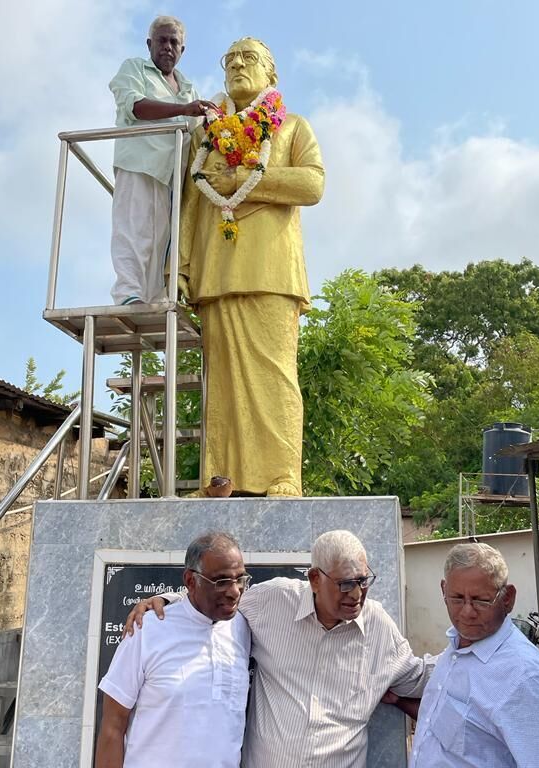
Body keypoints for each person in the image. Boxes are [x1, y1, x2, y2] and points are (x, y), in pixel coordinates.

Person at [125, 529, 435, 768]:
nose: (356, 594)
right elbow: (218, 600)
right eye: (345, 584)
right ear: (315, 579)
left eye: (363, 581)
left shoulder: (378, 627)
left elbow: (422, 678)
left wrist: (464, 643)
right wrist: (168, 601)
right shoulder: (274, 601)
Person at [178, 37, 325, 496]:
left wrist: (246, 179)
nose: (238, 65)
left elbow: (313, 184)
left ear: (271, 74)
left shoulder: (292, 127)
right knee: (221, 383)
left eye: (250, 58)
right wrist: (179, 267)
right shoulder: (206, 136)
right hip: (216, 272)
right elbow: (189, 205)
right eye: (231, 60)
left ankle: (283, 475)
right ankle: (220, 479)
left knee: (275, 375)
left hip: (272, 271)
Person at [401, 542, 539, 767]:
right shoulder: (457, 647)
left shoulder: (527, 678)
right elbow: (448, 728)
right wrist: (398, 701)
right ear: (443, 590)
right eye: (457, 598)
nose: (467, 612)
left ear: (507, 598)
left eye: (481, 600)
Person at [95, 531, 251, 768]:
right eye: (221, 581)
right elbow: (113, 725)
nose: (234, 591)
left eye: (240, 579)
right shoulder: (147, 628)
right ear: (190, 580)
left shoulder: (243, 627)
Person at [109, 16, 216, 305]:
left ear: (183, 50)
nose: (168, 47)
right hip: (139, 165)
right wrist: (183, 109)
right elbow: (135, 106)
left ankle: (154, 300)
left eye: (174, 42)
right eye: (162, 40)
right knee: (134, 230)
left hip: (172, 178)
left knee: (163, 241)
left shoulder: (188, 88)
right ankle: (128, 293)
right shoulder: (135, 69)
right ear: (149, 44)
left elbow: (198, 132)